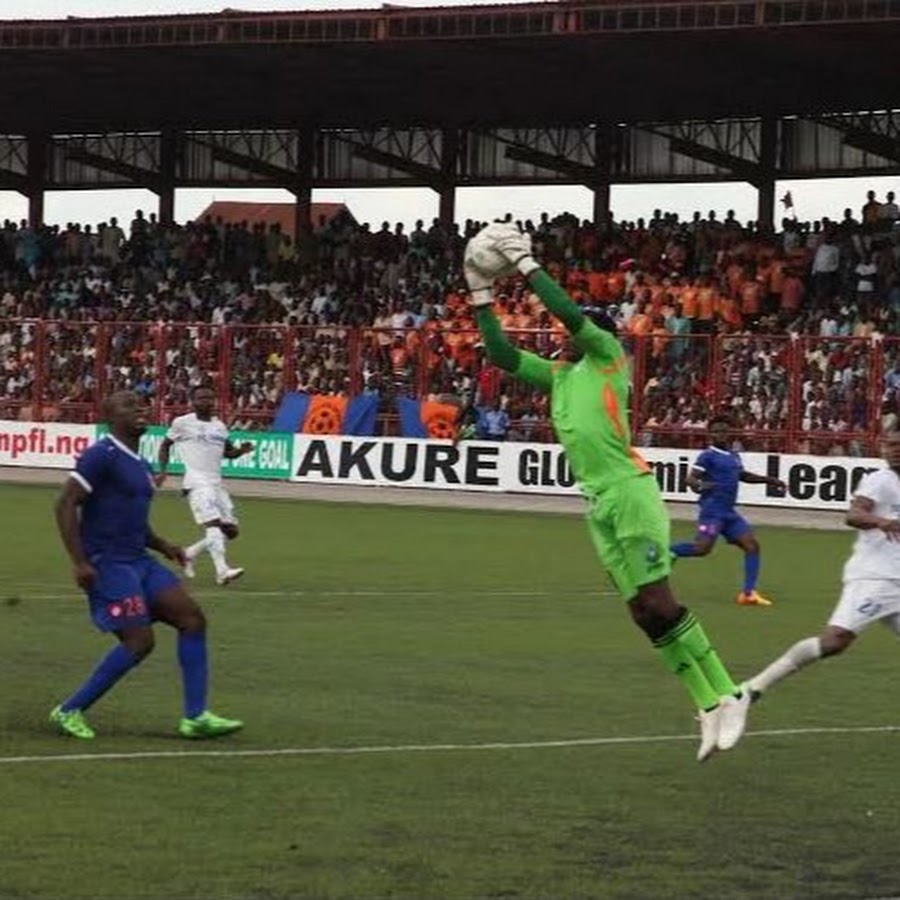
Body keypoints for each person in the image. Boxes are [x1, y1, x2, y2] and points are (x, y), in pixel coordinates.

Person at [464, 222, 752, 762]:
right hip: (598, 504)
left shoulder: (607, 357)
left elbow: (570, 314)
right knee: (643, 613)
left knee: (661, 601)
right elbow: (501, 354)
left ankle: (729, 692)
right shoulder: (560, 376)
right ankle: (706, 704)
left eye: (575, 329)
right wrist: (480, 293)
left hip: (630, 492)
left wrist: (528, 267)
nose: (564, 335)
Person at [51, 390, 243, 740]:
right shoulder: (101, 455)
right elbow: (64, 504)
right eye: (129, 406)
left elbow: (132, 521)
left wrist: (166, 546)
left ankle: (196, 717)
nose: (140, 410)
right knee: (140, 641)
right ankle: (69, 709)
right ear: (109, 415)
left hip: (139, 560)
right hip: (107, 563)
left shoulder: (141, 465)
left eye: (142, 406)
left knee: (192, 619)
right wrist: (79, 562)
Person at [747, 431, 900, 699]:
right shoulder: (880, 480)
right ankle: (752, 688)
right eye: (890, 444)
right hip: (875, 579)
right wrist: (881, 522)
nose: (893, 450)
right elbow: (853, 514)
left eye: (899, 445)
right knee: (835, 641)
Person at [670, 415, 786, 607]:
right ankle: (666, 552)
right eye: (717, 431)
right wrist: (700, 485)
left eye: (724, 430)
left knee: (752, 545)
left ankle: (748, 594)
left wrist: (770, 480)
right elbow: (690, 479)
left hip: (729, 513)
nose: (721, 434)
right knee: (702, 549)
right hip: (712, 511)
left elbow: (743, 475)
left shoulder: (734, 455)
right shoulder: (708, 455)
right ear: (710, 435)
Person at [157, 385, 252, 585]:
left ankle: (189, 553)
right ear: (192, 401)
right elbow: (165, 445)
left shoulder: (219, 426)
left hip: (216, 483)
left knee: (231, 531)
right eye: (200, 398)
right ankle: (222, 571)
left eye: (209, 398)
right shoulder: (182, 423)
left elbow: (228, 452)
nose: (205, 402)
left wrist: (242, 451)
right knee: (213, 525)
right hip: (197, 482)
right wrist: (163, 470)